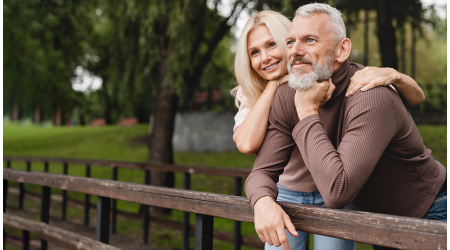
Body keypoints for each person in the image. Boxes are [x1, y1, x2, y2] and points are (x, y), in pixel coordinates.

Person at [243, 3, 446, 250]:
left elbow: (337, 192)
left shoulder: (370, 95)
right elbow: (261, 172)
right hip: (379, 222)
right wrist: (262, 201)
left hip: (429, 213)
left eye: (309, 40)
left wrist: (307, 112)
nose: (295, 51)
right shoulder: (287, 97)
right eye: (290, 42)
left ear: (342, 49)